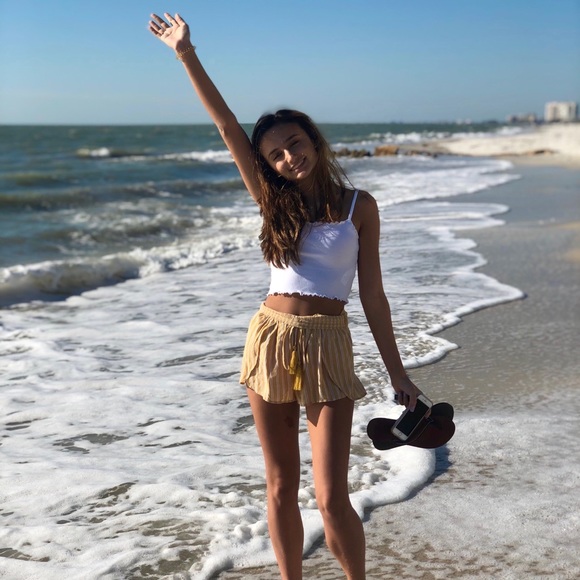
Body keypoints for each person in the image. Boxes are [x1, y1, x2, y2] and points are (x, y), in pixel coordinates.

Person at [149, 13, 423, 580]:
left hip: (329, 343)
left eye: (294, 144)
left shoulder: (360, 207)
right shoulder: (273, 201)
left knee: (331, 496)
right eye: (275, 154)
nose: (288, 157)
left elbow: (373, 297)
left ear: (313, 141)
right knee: (278, 486)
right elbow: (227, 127)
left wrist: (398, 373)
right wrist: (185, 53)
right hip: (271, 338)